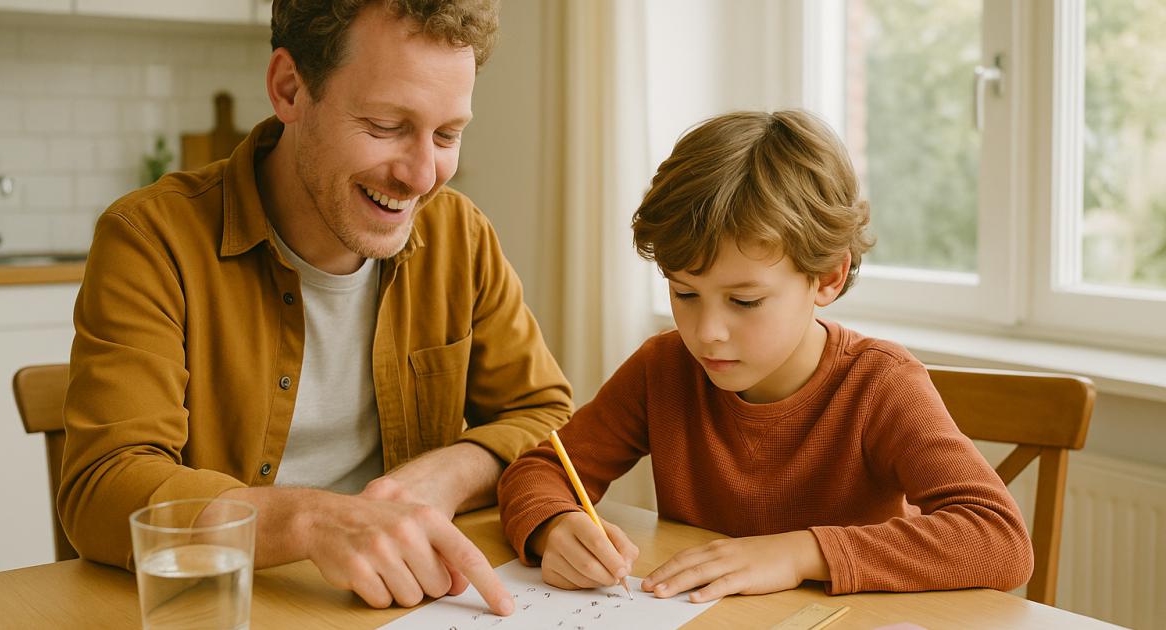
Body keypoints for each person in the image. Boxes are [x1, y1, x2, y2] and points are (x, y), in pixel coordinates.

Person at [59, 0, 573, 616]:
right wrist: (310, 521)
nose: (420, 175)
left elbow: (545, 417)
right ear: (290, 88)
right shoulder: (151, 239)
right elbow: (104, 488)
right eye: (385, 125)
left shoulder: (461, 237)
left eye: (446, 135)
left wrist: (450, 472)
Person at [497, 110, 1033, 602]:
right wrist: (554, 525)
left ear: (827, 278)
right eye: (684, 293)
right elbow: (543, 470)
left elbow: (999, 539)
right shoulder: (663, 369)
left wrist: (801, 552)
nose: (707, 334)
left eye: (744, 301)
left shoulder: (880, 384)